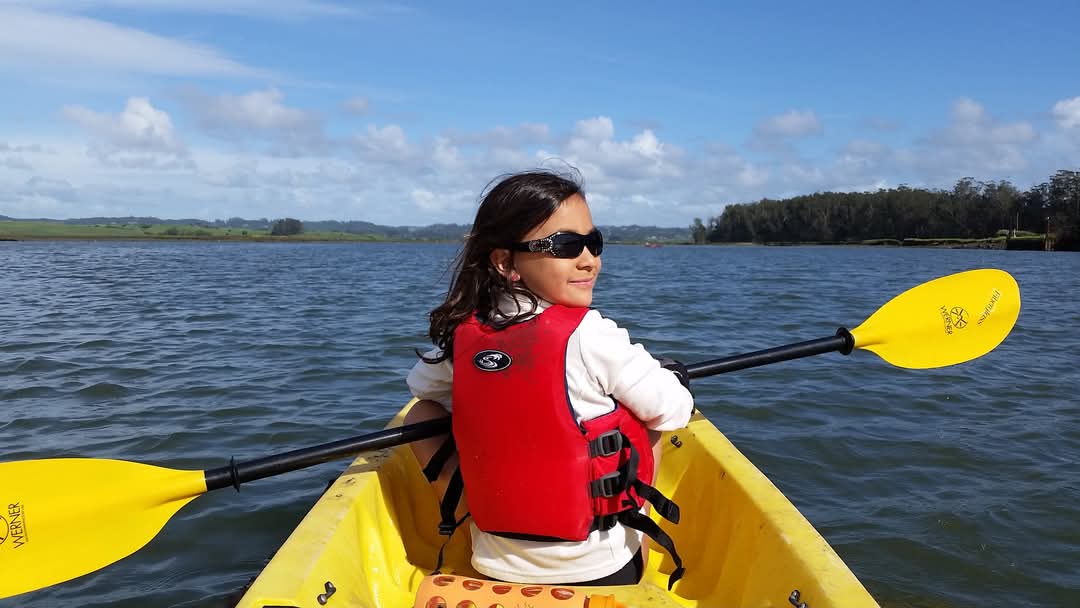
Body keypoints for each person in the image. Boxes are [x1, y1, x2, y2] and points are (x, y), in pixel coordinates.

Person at [405, 168, 694, 588]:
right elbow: (674, 410)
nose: (589, 260)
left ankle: (471, 523)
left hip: (492, 562)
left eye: (594, 243)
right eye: (565, 246)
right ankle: (635, 549)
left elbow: (421, 388)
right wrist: (672, 379)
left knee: (421, 414)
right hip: (602, 571)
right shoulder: (592, 334)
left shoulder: (465, 336)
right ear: (506, 262)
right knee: (645, 419)